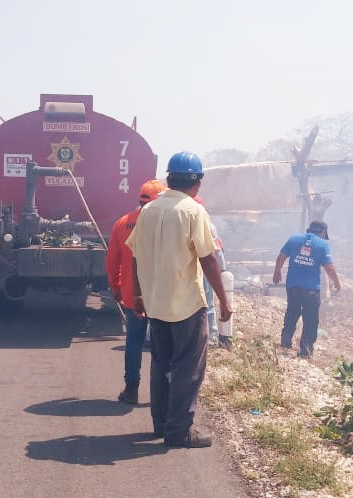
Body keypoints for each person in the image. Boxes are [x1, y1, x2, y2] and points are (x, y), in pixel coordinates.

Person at [127, 151, 232, 448]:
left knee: (161, 365)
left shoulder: (147, 211)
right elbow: (209, 259)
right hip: (186, 305)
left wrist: (137, 293)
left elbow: (135, 256)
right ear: (197, 182)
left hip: (156, 303)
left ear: (169, 179)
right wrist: (224, 301)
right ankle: (179, 431)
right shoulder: (193, 211)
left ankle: (161, 424)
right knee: (188, 368)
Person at [106, 179, 167, 404]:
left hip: (132, 296)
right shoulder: (166, 222)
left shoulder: (123, 223)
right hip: (162, 296)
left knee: (134, 342)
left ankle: (131, 389)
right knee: (163, 347)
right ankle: (161, 395)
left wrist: (115, 286)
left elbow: (112, 260)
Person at [272, 220, 341, 359]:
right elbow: (329, 266)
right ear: (322, 232)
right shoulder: (323, 245)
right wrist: (336, 282)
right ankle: (305, 351)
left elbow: (281, 256)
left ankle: (285, 342)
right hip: (311, 290)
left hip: (293, 286)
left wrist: (277, 271)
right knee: (310, 320)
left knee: (292, 312)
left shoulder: (294, 239)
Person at [194, 196, 230, 348]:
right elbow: (217, 251)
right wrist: (221, 270)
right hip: (204, 270)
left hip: (188, 270)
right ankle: (211, 337)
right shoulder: (209, 225)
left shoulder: (181, 219)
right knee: (208, 304)